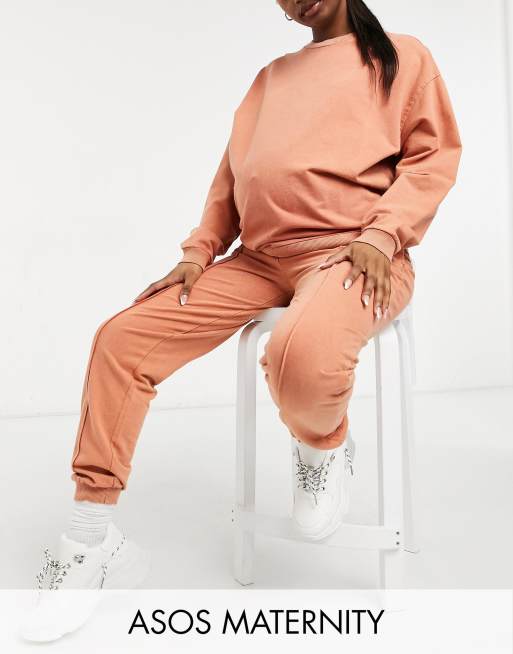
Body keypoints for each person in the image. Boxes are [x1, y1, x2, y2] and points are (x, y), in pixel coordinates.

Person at [20, 0, 462, 642]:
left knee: (300, 355)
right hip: (257, 259)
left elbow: (432, 157)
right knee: (121, 339)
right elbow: (231, 180)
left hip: (354, 251)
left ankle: (323, 444)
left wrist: (384, 232)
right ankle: (92, 544)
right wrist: (197, 254)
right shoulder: (270, 79)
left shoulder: (401, 57)